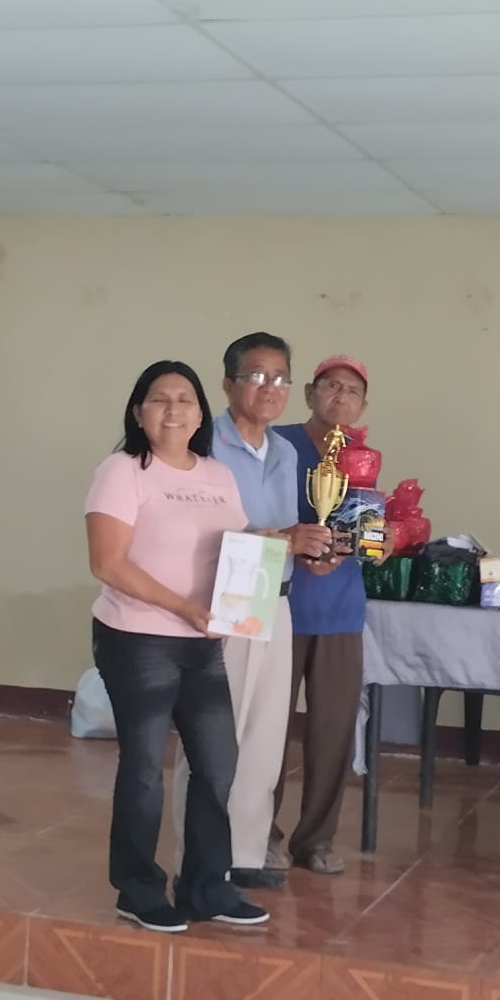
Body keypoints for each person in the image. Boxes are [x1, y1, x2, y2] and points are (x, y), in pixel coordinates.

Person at [84, 361, 269, 932]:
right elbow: (107, 563)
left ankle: (206, 887)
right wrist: (183, 607)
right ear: (138, 412)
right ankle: (137, 889)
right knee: (144, 766)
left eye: (185, 399)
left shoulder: (218, 475)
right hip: (137, 637)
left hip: (201, 641)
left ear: (200, 412)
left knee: (217, 763)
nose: (173, 409)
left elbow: (234, 547)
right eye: (159, 399)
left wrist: (277, 547)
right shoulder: (123, 470)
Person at [171, 333, 332, 891]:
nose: (270, 388)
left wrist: (308, 553)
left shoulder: (286, 452)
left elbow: (281, 535)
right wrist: (286, 540)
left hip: (274, 595)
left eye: (280, 378)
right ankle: (198, 858)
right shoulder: (203, 445)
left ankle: (243, 852)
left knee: (264, 733)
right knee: (214, 734)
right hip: (222, 596)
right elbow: (198, 534)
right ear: (227, 383)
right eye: (256, 376)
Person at [272, 354, 374, 876]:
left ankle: (315, 840)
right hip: (280, 604)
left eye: (352, 390)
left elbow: (369, 533)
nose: (340, 396)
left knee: (333, 730)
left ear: (363, 406)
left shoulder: (364, 458)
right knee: (268, 728)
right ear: (311, 393)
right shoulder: (277, 445)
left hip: (339, 610)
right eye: (331, 386)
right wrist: (296, 544)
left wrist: (382, 541)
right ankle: (260, 833)